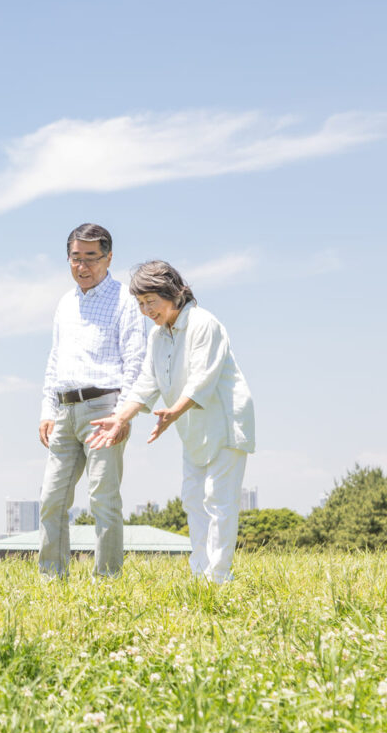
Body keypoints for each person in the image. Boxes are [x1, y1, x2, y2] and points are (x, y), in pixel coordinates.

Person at [87, 260, 255, 583]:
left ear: (172, 292)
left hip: (226, 422)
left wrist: (174, 411)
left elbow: (202, 379)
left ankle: (218, 578)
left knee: (219, 500)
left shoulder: (204, 324)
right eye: (140, 304)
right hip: (193, 429)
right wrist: (119, 417)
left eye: (151, 301)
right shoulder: (158, 337)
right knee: (193, 498)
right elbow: (146, 383)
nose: (146, 310)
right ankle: (200, 574)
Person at [37, 224, 147, 579]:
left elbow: (135, 358)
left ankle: (108, 580)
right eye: (75, 258)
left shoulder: (126, 299)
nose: (82, 266)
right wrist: (47, 409)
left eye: (91, 258)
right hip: (64, 411)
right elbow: (55, 360)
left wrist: (123, 414)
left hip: (105, 408)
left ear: (108, 257)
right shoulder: (65, 303)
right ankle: (51, 579)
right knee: (52, 499)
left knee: (103, 498)